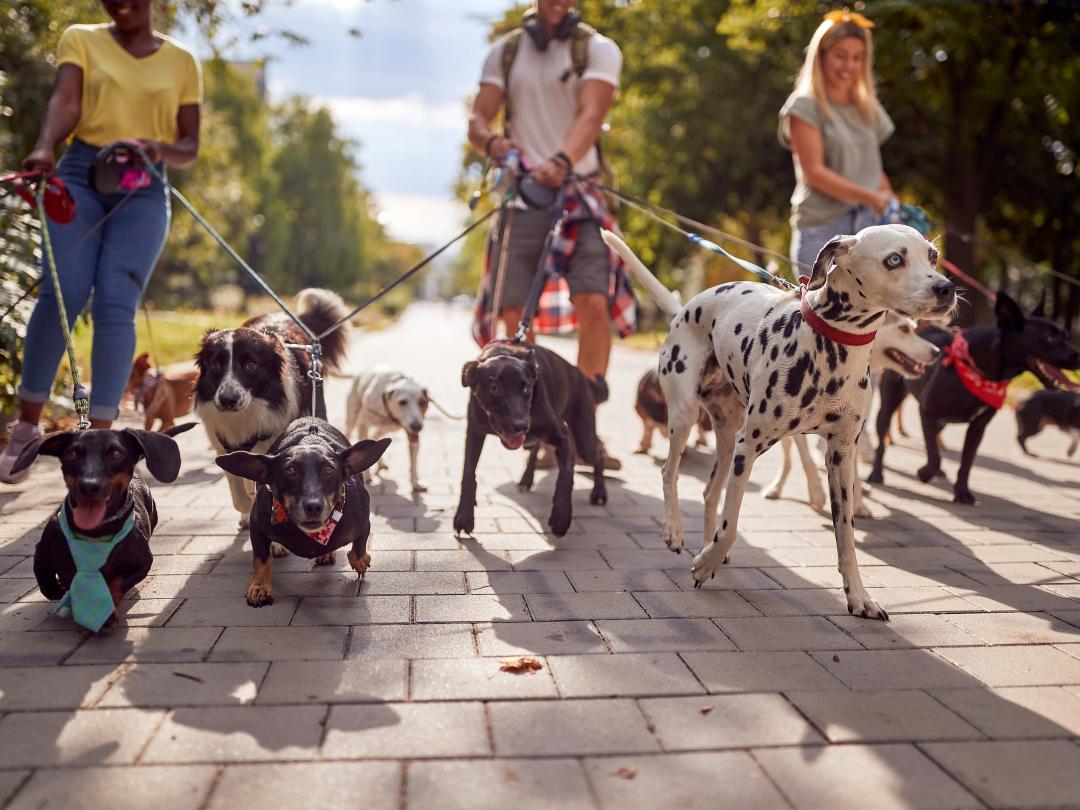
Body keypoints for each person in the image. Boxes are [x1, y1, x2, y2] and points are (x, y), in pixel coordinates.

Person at [0, 0, 201, 483]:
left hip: (144, 183)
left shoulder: (181, 61)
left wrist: (157, 148)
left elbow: (189, 146)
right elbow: (67, 101)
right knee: (63, 291)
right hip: (80, 173)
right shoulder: (82, 38)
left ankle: (103, 444)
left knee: (115, 302)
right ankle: (25, 427)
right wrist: (45, 145)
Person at [468, 0, 634, 469]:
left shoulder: (597, 49)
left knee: (594, 304)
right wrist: (493, 142)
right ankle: (539, 430)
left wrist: (561, 161)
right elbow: (477, 121)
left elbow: (591, 115)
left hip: (580, 193)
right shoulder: (505, 52)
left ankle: (584, 432)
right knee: (514, 316)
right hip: (522, 199)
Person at [779, 9, 896, 270]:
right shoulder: (804, 106)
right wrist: (870, 196)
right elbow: (815, 173)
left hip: (870, 228)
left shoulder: (866, 107)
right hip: (823, 231)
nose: (849, 66)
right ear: (820, 56)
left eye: (857, 57)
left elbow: (872, 169)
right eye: (840, 56)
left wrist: (897, 211)